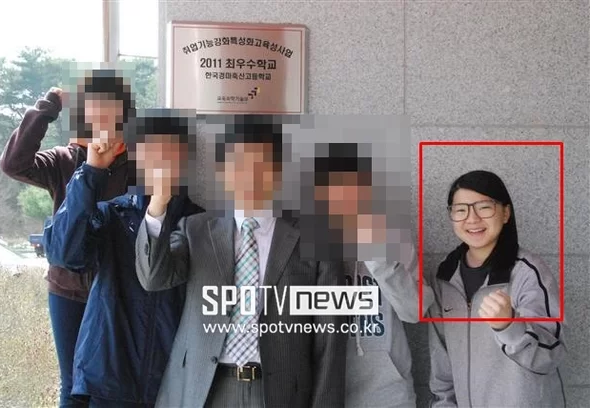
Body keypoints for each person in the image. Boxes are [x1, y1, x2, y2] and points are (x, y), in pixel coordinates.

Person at [135, 115, 347, 408]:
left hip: (279, 393)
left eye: (262, 165)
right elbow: (153, 278)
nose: (251, 176)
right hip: (204, 390)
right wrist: (158, 204)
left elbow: (329, 340)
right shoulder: (196, 230)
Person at [44, 111, 204, 407]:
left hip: (173, 386)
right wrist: (92, 170)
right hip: (109, 381)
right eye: (151, 150)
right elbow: (63, 254)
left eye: (171, 151)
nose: (161, 161)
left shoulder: (200, 224)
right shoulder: (112, 214)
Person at [0, 69, 134, 407]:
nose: (100, 117)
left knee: (115, 382)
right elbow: (13, 164)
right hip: (69, 288)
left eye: (109, 108)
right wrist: (49, 106)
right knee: (73, 383)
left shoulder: (139, 162)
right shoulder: (65, 159)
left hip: (119, 288)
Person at [309, 143, 435, 408]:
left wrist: (377, 255)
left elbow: (415, 311)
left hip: (389, 394)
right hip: (323, 392)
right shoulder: (303, 242)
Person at [428, 170, 566, 407]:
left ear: (505, 213)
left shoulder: (528, 272)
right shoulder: (444, 277)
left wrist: (509, 326)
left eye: (484, 207)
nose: (472, 219)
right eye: (460, 210)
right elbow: (442, 362)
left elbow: (551, 354)